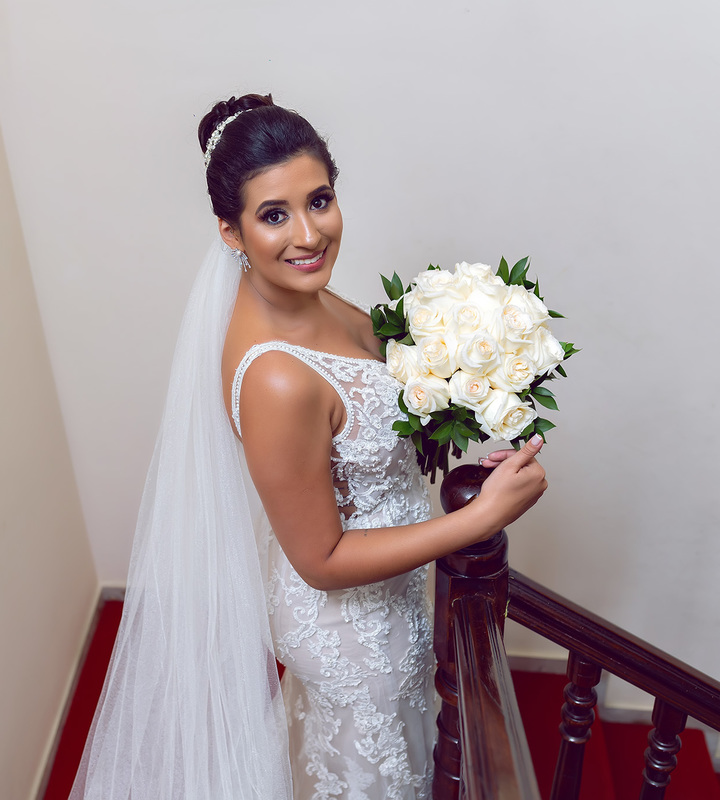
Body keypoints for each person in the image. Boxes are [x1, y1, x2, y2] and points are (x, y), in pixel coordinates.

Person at [71, 94, 548, 800]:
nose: (308, 234)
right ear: (230, 231)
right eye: (274, 215)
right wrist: (480, 518)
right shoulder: (276, 378)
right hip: (354, 632)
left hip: (390, 589)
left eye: (319, 201)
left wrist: (461, 407)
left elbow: (359, 435)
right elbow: (321, 561)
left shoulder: (303, 294)